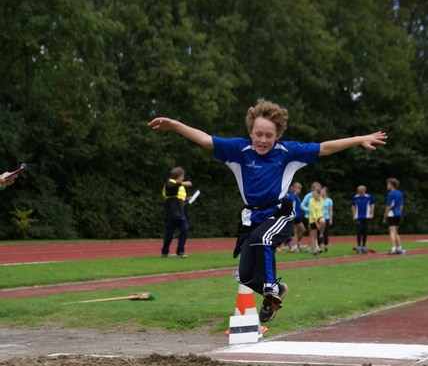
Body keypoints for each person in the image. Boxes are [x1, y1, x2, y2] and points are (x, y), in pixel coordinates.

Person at [148, 99, 387, 322]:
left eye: (269, 136)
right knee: (245, 275)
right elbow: (204, 139)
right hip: (251, 216)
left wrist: (358, 139)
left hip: (279, 213)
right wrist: (175, 125)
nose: (262, 140)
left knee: (262, 239)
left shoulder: (287, 152)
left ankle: (271, 296)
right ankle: (278, 290)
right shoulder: (238, 150)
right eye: (258, 134)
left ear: (278, 135)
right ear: (250, 132)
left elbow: (324, 148)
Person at [161, 166, 193, 257]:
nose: (183, 177)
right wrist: (183, 183)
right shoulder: (170, 182)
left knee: (185, 229)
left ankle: (180, 251)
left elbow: (178, 198)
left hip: (181, 212)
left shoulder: (179, 185)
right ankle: (165, 251)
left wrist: (186, 200)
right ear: (178, 176)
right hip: (172, 212)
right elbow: (170, 189)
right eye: (182, 176)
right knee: (169, 233)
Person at [383, 178, 405, 255]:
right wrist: (400, 212)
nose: (387, 185)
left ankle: (393, 248)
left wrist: (385, 216)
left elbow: (388, 206)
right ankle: (399, 247)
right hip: (398, 212)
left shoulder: (391, 194)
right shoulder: (400, 193)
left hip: (392, 212)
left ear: (391, 185)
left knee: (392, 231)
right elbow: (401, 204)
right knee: (396, 231)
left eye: (388, 184)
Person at [351, 185, 375, 254]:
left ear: (364, 191)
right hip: (358, 216)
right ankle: (359, 246)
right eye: (360, 192)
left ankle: (364, 246)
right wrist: (354, 214)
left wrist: (372, 213)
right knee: (359, 231)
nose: (361, 194)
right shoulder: (356, 197)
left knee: (365, 231)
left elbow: (372, 204)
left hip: (366, 216)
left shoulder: (368, 197)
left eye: (362, 192)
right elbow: (353, 205)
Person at [283, 181, 305, 253]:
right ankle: (295, 245)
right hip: (294, 216)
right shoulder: (292, 195)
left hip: (297, 215)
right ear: (295, 188)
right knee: (302, 229)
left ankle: (295, 245)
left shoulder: (295, 196)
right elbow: (290, 203)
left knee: (296, 231)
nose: (300, 190)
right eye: (299, 188)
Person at [301, 181, 321, 253]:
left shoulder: (320, 197)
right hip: (309, 216)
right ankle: (315, 247)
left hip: (317, 217)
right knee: (312, 232)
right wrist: (309, 210)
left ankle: (310, 247)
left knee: (313, 233)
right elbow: (302, 204)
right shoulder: (309, 196)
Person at [308, 185, 326, 255]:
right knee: (313, 235)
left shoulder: (321, 200)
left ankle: (321, 234)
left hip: (320, 217)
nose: (313, 195)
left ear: (319, 194)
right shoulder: (311, 201)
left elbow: (322, 210)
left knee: (323, 221)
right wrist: (317, 224)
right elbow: (313, 213)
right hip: (313, 219)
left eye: (315, 194)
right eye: (313, 194)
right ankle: (314, 250)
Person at [320, 186, 333, 252]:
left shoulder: (329, 200)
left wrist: (331, 219)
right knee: (319, 232)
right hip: (320, 217)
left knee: (326, 233)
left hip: (326, 217)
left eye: (323, 192)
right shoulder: (319, 199)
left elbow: (330, 210)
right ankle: (318, 246)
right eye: (321, 192)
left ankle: (326, 247)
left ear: (326, 192)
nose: (322, 193)